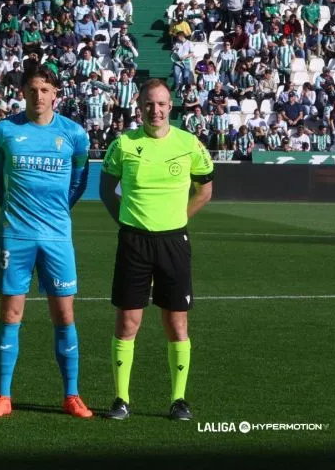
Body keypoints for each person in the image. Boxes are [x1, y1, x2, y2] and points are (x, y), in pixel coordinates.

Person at [99, 79, 214, 421]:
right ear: (140, 106)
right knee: (128, 321)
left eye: (162, 104)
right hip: (134, 241)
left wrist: (178, 219)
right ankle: (121, 399)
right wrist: (127, 222)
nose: (156, 110)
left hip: (173, 242)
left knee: (176, 323)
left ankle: (179, 399)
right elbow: (107, 190)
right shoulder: (123, 144)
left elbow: (205, 191)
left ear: (170, 107)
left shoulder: (189, 144)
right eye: (149, 104)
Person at [0, 67, 93, 419]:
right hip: (16, 235)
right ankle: (3, 396)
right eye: (33, 89)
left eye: (45, 89)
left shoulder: (74, 134)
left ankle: (72, 395)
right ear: (23, 92)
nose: (39, 96)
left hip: (57, 237)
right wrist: (17, 214)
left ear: (56, 92)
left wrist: (56, 213)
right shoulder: (4, 131)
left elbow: (78, 182)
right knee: (11, 314)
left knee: (64, 315)